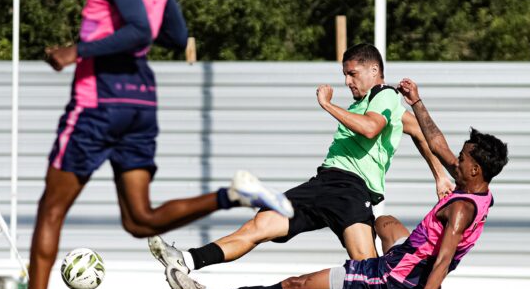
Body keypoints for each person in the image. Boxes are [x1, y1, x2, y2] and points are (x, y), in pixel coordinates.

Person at [0, 0, 292, 289]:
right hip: (141, 101)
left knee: (51, 209)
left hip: (100, 100)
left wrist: (75, 50)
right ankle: (234, 195)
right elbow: (176, 34)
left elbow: (139, 30)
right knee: (140, 220)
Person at [163, 77, 509, 289]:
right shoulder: (479, 192)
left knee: (294, 286)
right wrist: (417, 102)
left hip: (387, 279)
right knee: (385, 222)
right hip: (406, 266)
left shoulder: (460, 209)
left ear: (474, 169)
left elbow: (444, 258)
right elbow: (435, 142)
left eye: (462, 158)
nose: (455, 160)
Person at [149, 43, 453, 277]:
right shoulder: (374, 106)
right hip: (325, 184)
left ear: (374, 70)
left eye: (352, 73)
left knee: (369, 273)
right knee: (261, 225)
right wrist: (439, 176)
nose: (347, 81)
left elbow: (371, 129)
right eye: (345, 75)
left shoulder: (384, 94)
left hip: (349, 189)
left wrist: (327, 105)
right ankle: (187, 260)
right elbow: (418, 132)